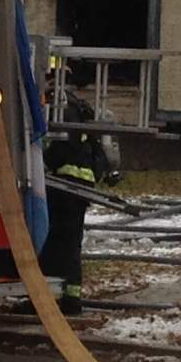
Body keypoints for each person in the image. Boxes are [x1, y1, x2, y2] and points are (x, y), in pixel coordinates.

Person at [39, 93, 112, 316]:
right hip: (80, 193)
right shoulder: (83, 127)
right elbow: (101, 162)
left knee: (52, 244)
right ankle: (71, 299)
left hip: (62, 190)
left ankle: (46, 299)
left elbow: (54, 156)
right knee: (71, 246)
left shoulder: (63, 119)